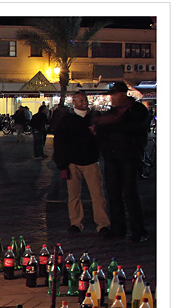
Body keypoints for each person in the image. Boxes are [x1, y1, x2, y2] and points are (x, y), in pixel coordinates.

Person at [93, 81, 150, 242]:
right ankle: (118, 228)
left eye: (114, 95)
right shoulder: (112, 113)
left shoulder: (138, 111)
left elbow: (134, 128)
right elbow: (102, 131)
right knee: (113, 194)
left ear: (123, 94)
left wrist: (110, 124)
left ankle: (138, 230)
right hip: (112, 158)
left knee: (130, 194)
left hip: (129, 157)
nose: (111, 99)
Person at [53, 91, 111, 237]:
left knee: (98, 194)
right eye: (81, 100)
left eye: (85, 100)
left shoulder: (94, 118)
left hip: (91, 160)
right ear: (74, 102)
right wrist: (62, 165)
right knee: (74, 195)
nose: (84, 102)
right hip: (73, 161)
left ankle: (102, 223)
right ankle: (76, 222)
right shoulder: (67, 120)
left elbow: (105, 137)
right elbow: (59, 143)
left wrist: (97, 134)